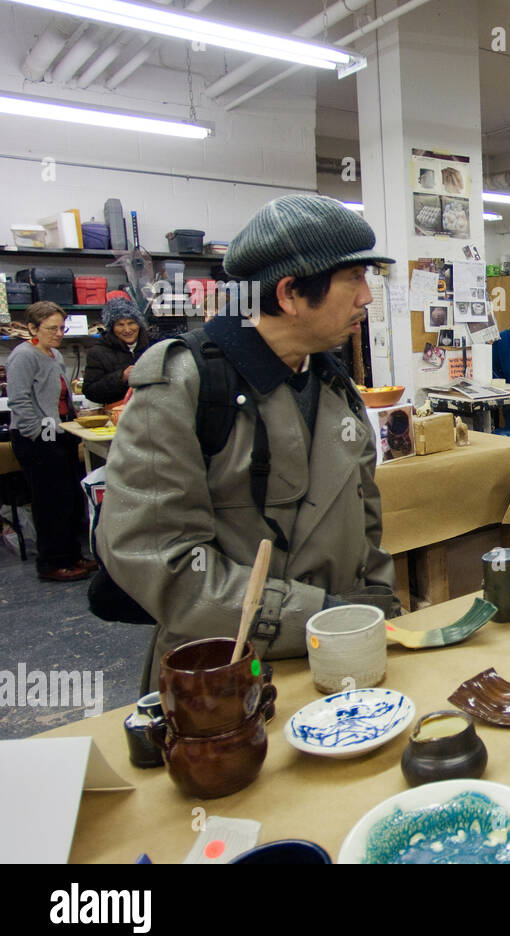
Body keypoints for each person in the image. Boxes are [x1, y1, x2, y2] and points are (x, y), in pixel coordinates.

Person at [96, 195, 399, 690]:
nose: (367, 296)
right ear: (289, 294)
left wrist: (377, 609)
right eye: (354, 279)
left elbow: (365, 528)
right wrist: (318, 617)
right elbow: (159, 559)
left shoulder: (331, 382)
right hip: (227, 678)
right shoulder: (184, 385)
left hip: (344, 661)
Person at [4, 302, 95, 581]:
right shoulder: (23, 356)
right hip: (37, 440)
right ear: (32, 328)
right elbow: (19, 401)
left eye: (61, 328)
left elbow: (59, 395)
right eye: (52, 328)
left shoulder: (54, 354)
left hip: (59, 433)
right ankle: (52, 563)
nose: (59, 334)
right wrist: (40, 435)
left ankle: (71, 555)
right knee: (49, 502)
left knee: (68, 498)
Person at [82, 297, 151, 407]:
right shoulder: (98, 352)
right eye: (120, 325)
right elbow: (90, 392)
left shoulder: (154, 346)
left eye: (131, 323)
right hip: (117, 416)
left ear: (139, 324)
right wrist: (121, 377)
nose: (127, 330)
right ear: (112, 328)